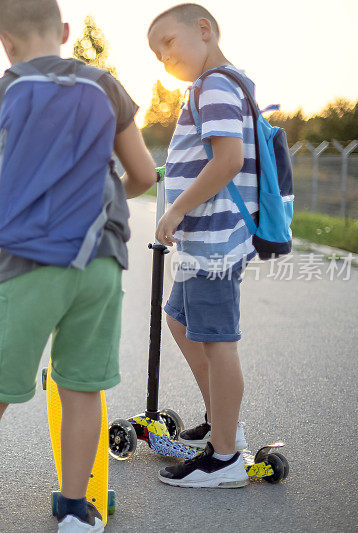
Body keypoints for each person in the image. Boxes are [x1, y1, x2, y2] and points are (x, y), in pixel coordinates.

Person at [0, 1, 157, 531]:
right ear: (63, 31)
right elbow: (145, 174)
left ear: (5, 42)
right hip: (99, 261)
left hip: (27, 266)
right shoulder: (104, 84)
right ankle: (75, 512)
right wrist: (103, 207)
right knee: (82, 388)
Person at [147, 3, 258, 488]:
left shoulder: (214, 85)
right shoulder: (223, 84)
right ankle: (219, 423)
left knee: (215, 339)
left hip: (212, 238)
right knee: (180, 319)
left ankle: (226, 457)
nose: (162, 58)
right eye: (155, 53)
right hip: (204, 238)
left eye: (167, 43)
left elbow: (228, 160)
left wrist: (175, 209)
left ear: (204, 30)